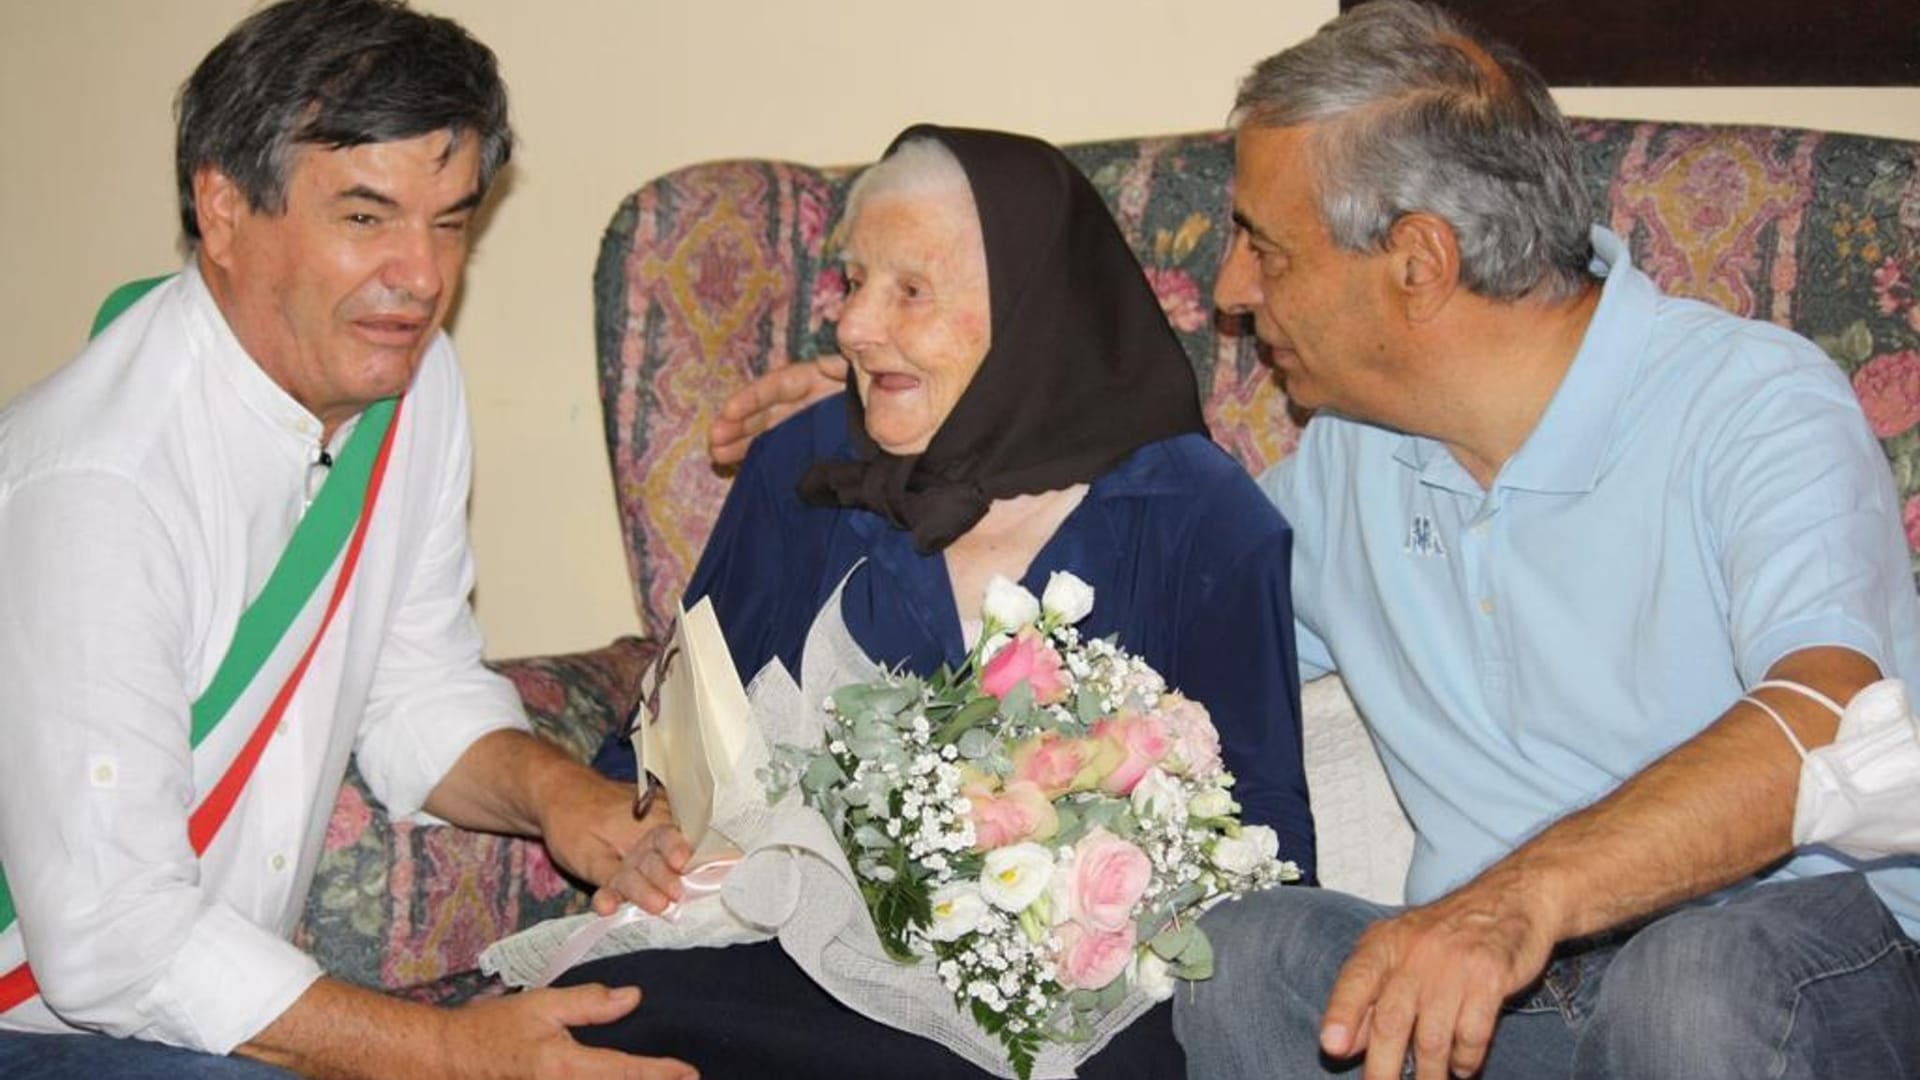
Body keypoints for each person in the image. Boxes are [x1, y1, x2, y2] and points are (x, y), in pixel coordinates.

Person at [712, 5, 1920, 1078]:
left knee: (1690, 979)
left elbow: (1826, 717)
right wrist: (919, 409)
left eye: (1266, 245)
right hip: (1498, 1011)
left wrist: (1514, 903)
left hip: (1784, 967)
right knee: (1246, 953)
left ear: (1419, 263)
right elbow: (1135, 563)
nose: (1231, 288)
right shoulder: (1346, 462)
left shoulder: (1749, 402)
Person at [0, 2, 693, 1077]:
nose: (421, 278)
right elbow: (108, 940)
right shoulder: (99, 488)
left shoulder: (410, 386)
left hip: (197, 1001)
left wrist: (561, 797)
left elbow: (413, 692)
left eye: (451, 221)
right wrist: (454, 1052)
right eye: (366, 219)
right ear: (223, 208)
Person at [582, 124, 1313, 1078]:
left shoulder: (1198, 518)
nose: (851, 326)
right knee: (595, 1028)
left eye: (910, 291)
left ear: (1032, 312)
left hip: (1064, 1018)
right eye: (853, 283)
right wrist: (649, 830)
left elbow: (1266, 846)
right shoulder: (803, 469)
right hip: (787, 967)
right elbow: (662, 733)